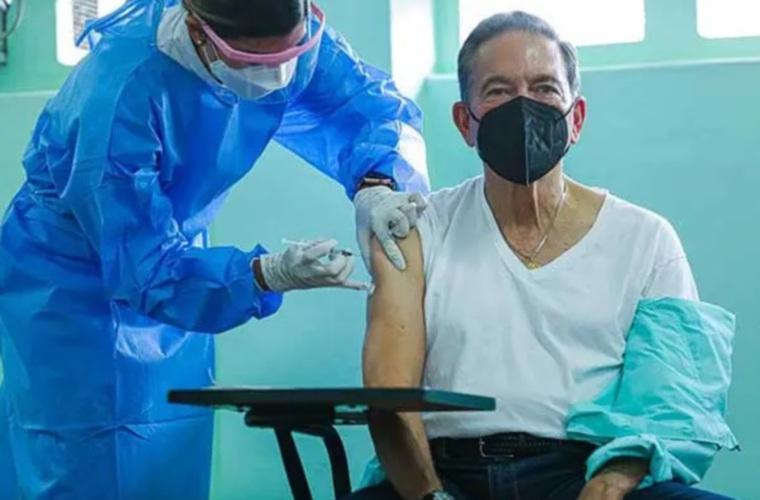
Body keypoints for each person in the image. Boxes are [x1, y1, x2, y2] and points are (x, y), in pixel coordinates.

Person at [0, 0, 429, 497]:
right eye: (251, 62)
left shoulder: (292, 30)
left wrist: (376, 183)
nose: (276, 78)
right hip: (70, 291)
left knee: (170, 450)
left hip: (175, 264)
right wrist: (264, 274)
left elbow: (363, 104)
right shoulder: (119, 95)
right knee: (84, 459)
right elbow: (144, 267)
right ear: (198, 30)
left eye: (289, 56)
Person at [349, 11, 734, 500]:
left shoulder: (645, 238)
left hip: (584, 473)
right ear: (465, 122)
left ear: (576, 118)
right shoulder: (416, 230)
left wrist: (615, 478)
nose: (523, 106)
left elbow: (672, 397)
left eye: (545, 88)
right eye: (498, 91)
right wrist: (429, 495)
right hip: (445, 474)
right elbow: (389, 396)